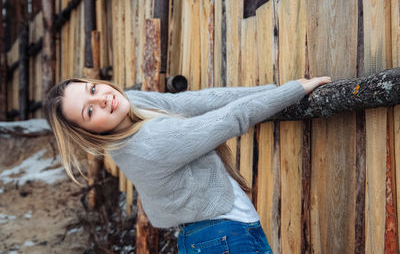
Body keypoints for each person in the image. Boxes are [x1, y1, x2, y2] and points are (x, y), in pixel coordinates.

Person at [43, 76, 331, 253]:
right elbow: (228, 119)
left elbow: (194, 101)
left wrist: (271, 90)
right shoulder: (147, 143)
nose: (103, 99)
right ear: (89, 133)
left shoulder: (133, 106)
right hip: (223, 239)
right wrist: (295, 90)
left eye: (93, 88)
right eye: (89, 110)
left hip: (220, 234)